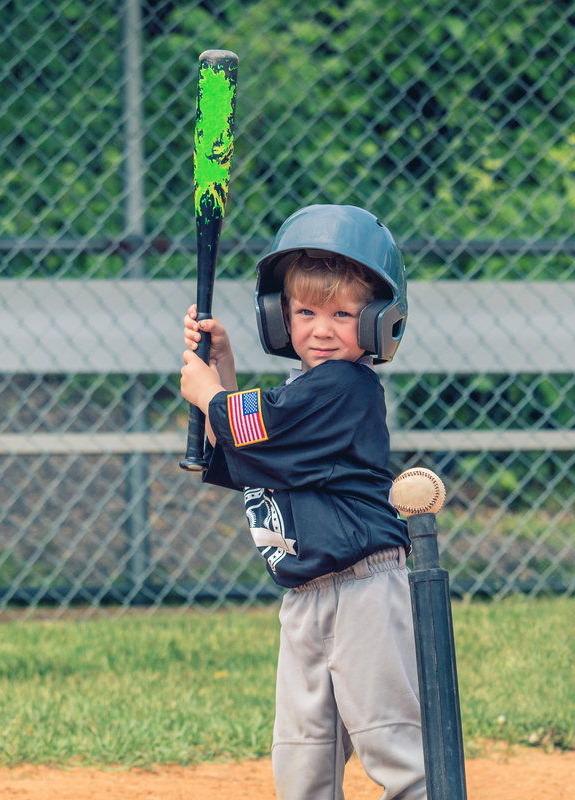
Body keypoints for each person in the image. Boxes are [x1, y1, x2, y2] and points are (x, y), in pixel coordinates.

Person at [178, 204, 424, 800]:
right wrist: (224, 376)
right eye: (305, 312)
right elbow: (251, 449)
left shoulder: (347, 386)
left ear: (377, 323)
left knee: (393, 743)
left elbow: (256, 427)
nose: (321, 329)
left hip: (364, 590)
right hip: (305, 597)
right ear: (278, 317)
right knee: (300, 759)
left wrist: (210, 393)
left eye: (343, 314)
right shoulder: (302, 394)